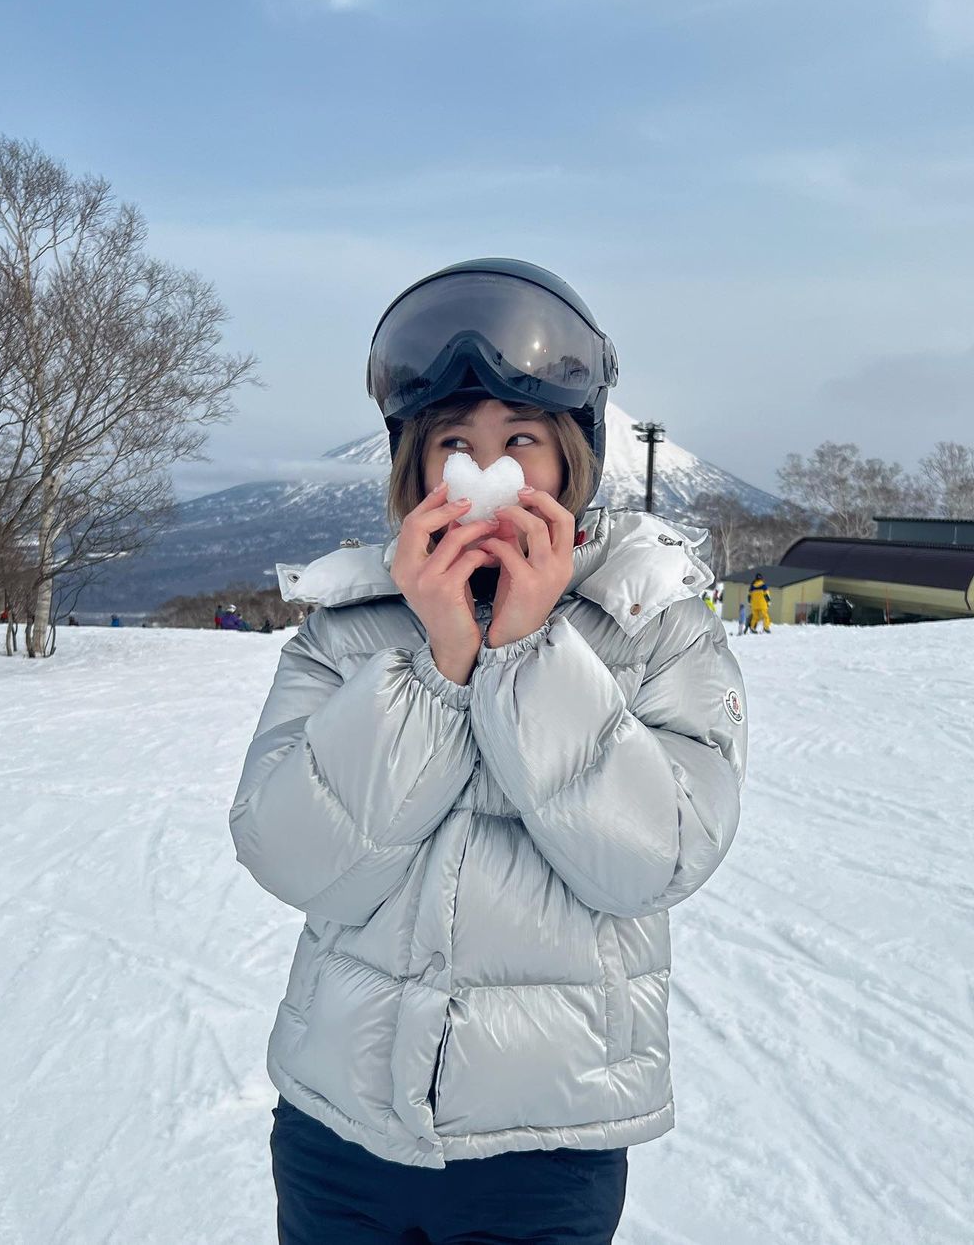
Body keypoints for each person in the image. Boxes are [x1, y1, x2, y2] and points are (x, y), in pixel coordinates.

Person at [230, 258, 747, 1245]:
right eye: (455, 443)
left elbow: (657, 857)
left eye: (521, 440)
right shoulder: (345, 629)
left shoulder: (655, 623)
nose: (487, 471)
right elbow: (290, 856)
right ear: (415, 466)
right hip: (339, 1138)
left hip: (545, 1153)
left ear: (571, 458)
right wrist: (435, 667)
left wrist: (526, 653)